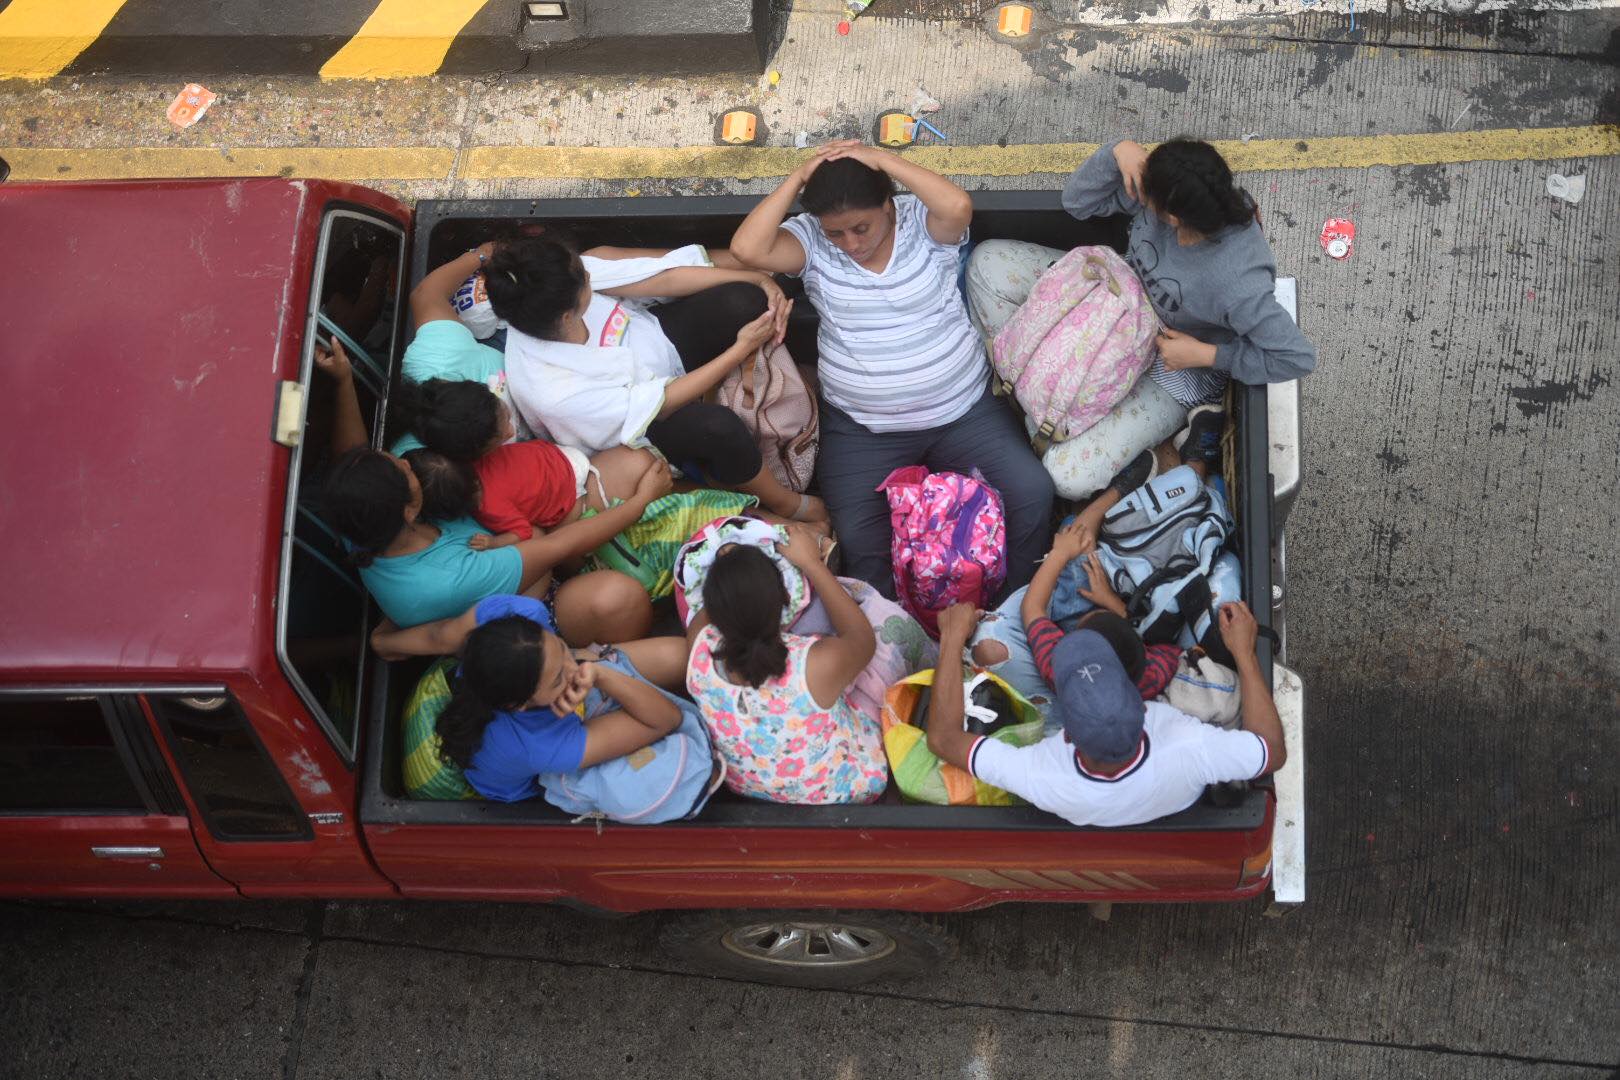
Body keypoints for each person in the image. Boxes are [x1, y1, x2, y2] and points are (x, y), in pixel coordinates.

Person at [729, 141, 1055, 599]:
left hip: (964, 412)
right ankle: (901, 639)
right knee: (863, 543)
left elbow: (959, 205)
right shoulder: (812, 239)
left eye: (862, 227)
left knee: (1032, 493)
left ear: (888, 204)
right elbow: (746, 248)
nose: (851, 244)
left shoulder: (922, 221)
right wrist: (801, 175)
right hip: (864, 428)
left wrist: (880, 159)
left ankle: (1007, 612)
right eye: (837, 233)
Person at [966, 137, 1315, 447]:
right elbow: (1077, 203)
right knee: (986, 263)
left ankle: (1030, 399)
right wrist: (1116, 151)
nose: (1140, 196)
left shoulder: (1240, 283)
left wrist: (1207, 355)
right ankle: (1022, 389)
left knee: (1065, 474)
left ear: (1174, 218)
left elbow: (1295, 358)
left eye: (1147, 195)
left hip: (1169, 361)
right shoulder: (1175, 196)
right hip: (1110, 294)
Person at [313, 339, 661, 640]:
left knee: (635, 463)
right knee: (619, 599)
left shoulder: (361, 516)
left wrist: (344, 381)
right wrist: (639, 502)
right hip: (531, 605)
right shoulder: (445, 578)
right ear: (409, 511)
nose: (405, 461)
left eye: (392, 459)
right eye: (404, 472)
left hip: (528, 532)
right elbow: (555, 546)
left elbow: (351, 457)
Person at [490, 237, 826, 524]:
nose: (588, 271)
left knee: (746, 300)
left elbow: (661, 280)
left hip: (663, 344)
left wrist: (756, 279)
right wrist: (742, 349)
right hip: (645, 430)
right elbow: (663, 402)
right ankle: (782, 500)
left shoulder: (556, 286)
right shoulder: (554, 392)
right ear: (567, 315)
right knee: (716, 427)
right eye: (584, 278)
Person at [926, 599, 1286, 828]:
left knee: (992, 635)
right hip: (1163, 792)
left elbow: (943, 738)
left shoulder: (1043, 774)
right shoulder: (1189, 746)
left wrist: (953, 638)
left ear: (1065, 734)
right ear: (1142, 703)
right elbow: (1272, 750)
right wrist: (1244, 653)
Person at [383, 593, 693, 806]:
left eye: (561, 647)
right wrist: (603, 675)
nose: (576, 670)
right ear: (518, 704)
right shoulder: (536, 744)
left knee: (679, 656)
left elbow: (439, 636)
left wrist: (381, 642)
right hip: (538, 765)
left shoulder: (521, 621)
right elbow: (666, 720)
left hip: (538, 717)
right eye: (559, 677)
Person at [685, 525, 890, 804]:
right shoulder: (814, 664)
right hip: (844, 789)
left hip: (749, 786)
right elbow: (862, 639)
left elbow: (720, 607)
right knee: (879, 655)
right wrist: (811, 564)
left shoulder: (698, 644)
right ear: (786, 598)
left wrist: (731, 572)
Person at [392, 376, 660, 548]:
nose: (511, 431)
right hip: (569, 480)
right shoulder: (460, 455)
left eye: (506, 418)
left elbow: (522, 531)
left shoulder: (457, 452)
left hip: (566, 470)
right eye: (502, 433)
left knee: (643, 464)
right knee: (644, 464)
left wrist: (495, 542)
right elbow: (535, 537)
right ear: (474, 455)